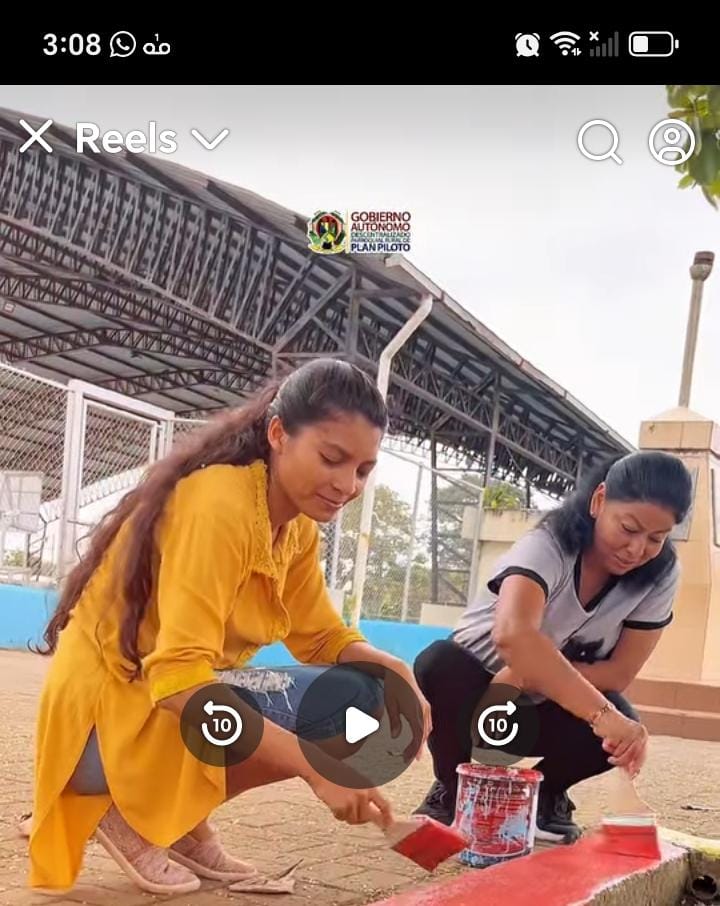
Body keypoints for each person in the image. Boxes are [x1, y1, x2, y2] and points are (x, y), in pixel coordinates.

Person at [27, 358, 431, 896]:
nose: (346, 485)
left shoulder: (295, 528)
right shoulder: (219, 504)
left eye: (362, 470)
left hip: (157, 711)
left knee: (371, 694)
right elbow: (178, 681)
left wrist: (394, 667)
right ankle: (128, 810)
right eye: (332, 459)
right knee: (337, 708)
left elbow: (321, 637)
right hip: (103, 731)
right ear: (278, 434)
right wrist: (316, 769)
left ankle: (176, 820)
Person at [413, 450, 693, 843]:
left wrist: (527, 678)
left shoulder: (660, 576)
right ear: (599, 501)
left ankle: (544, 795)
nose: (636, 549)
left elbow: (619, 672)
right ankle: (452, 788)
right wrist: (599, 713)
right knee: (439, 664)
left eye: (656, 538)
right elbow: (513, 635)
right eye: (628, 528)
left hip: (544, 708)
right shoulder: (548, 544)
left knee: (621, 721)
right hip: (476, 698)